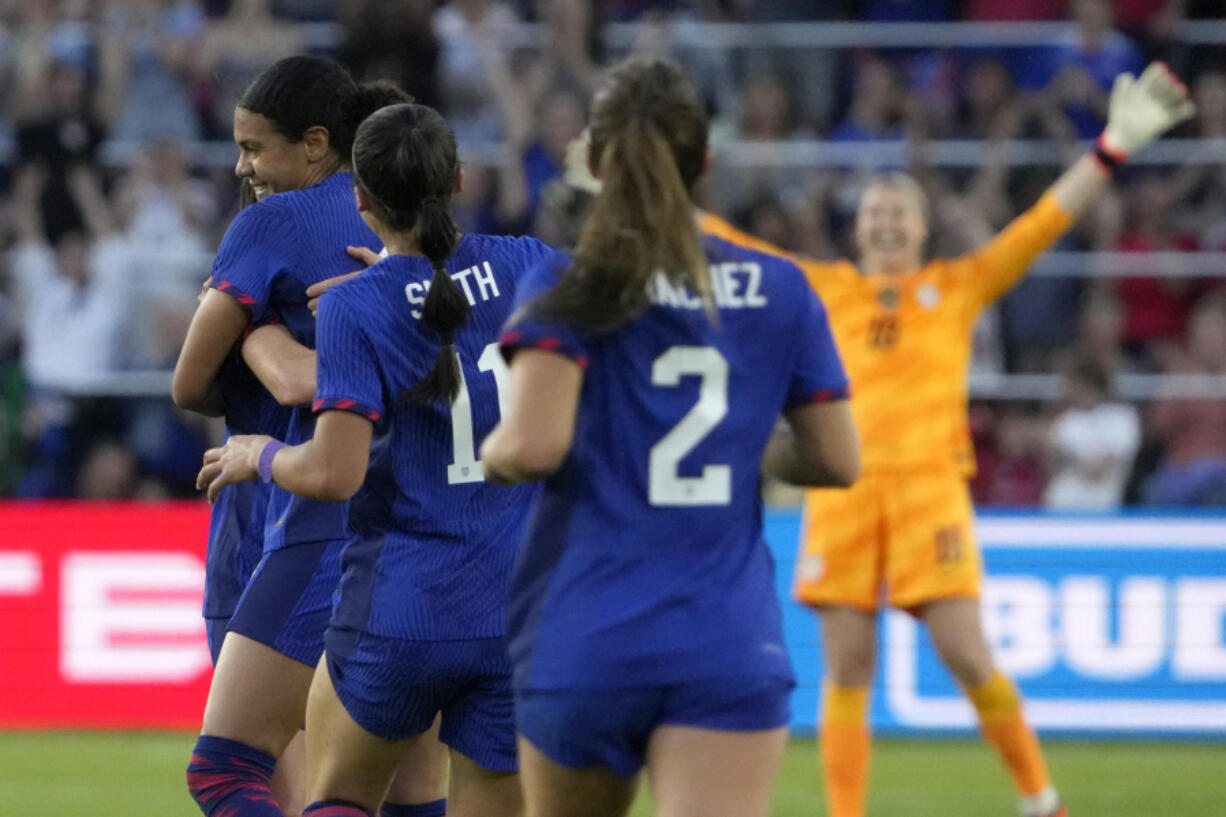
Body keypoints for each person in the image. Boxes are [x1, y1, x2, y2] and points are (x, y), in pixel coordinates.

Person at [700, 61, 1195, 817]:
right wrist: (633, 189)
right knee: (848, 670)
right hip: (846, 487)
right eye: (875, 211)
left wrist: (1110, 149)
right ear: (856, 227)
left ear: (924, 228)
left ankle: (1042, 798)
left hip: (931, 487)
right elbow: (729, 245)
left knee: (968, 654)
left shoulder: (957, 288)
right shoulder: (824, 288)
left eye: (901, 210)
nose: (888, 219)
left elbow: (1041, 225)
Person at [479, 57, 861, 817]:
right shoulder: (780, 286)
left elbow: (532, 447)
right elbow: (837, 457)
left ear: (592, 162)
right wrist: (748, 444)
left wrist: (488, 453)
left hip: (586, 633)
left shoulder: (566, 287)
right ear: (705, 162)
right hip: (725, 640)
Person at [196, 102, 554, 817]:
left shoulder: (359, 306)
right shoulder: (528, 264)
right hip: (516, 611)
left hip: (401, 611)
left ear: (359, 197)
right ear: (457, 178)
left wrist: (259, 453)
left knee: (337, 798)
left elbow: (334, 473)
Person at [171, 57, 446, 817]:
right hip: (423, 533)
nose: (242, 166)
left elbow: (189, 386)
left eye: (255, 148)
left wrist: (249, 328)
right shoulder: (414, 239)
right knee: (409, 789)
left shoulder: (269, 224)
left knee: (236, 770)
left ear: (318, 142)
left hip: (288, 518)